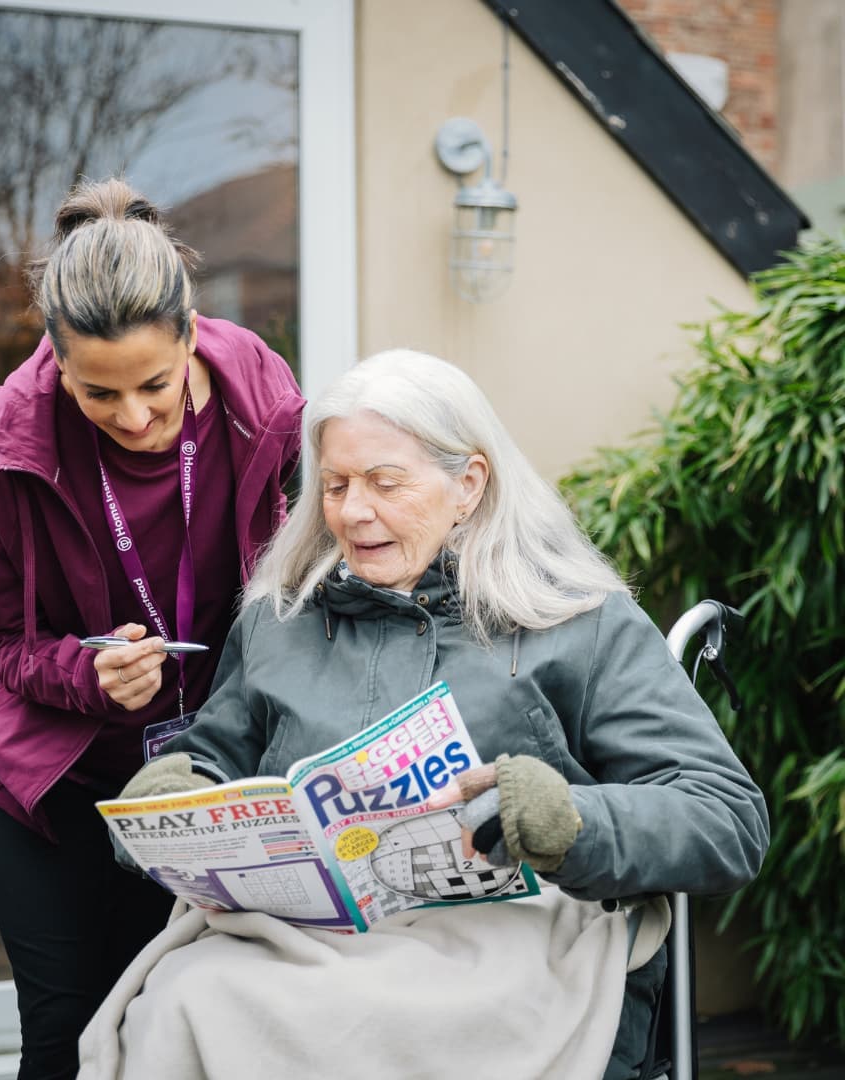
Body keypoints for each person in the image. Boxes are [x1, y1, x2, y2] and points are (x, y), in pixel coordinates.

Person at [82, 349, 769, 1080]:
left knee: (351, 1024)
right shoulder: (279, 623)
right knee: (184, 998)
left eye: (384, 483)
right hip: (303, 943)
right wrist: (175, 796)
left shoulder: (583, 622)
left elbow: (728, 819)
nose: (351, 511)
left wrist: (570, 821)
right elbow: (217, 759)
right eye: (337, 485)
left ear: (468, 484)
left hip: (511, 945)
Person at [0, 176, 305, 1080]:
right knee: (69, 1039)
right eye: (97, 393)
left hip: (213, 776)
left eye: (154, 383)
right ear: (57, 360)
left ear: (192, 334)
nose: (135, 417)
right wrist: (87, 671)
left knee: (188, 1031)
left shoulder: (266, 405)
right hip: (56, 779)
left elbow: (308, 587)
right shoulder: (4, 438)